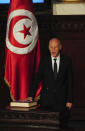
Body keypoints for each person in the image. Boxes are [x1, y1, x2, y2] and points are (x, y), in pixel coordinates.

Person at [28, 38, 73, 129]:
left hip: (62, 101)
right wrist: (31, 95)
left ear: (60, 47)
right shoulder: (44, 61)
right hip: (46, 100)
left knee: (61, 126)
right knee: (46, 126)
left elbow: (70, 82)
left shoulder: (67, 61)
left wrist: (70, 100)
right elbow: (37, 79)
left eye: (55, 47)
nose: (53, 50)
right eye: (51, 47)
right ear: (48, 48)